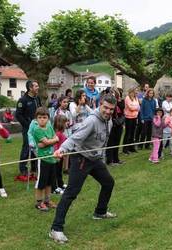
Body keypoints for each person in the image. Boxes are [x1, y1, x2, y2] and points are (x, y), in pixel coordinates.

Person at [50, 94, 117, 244]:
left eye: (111, 109)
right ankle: (56, 229)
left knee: (108, 183)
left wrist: (101, 157)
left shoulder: (109, 121)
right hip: (81, 158)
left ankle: (100, 212)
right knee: (71, 192)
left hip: (95, 159)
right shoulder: (92, 121)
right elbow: (75, 137)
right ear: (100, 104)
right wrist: (62, 149)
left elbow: (102, 142)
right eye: (105, 107)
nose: (108, 111)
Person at [32, 107, 58, 211]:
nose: (42, 119)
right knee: (41, 183)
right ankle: (39, 202)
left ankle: (47, 200)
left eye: (44, 117)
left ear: (48, 118)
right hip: (42, 159)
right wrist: (52, 140)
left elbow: (55, 138)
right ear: (36, 119)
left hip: (51, 159)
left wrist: (49, 141)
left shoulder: (49, 127)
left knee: (49, 182)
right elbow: (48, 142)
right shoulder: (37, 129)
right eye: (40, 117)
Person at [15, 80, 42, 182]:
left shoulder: (37, 98)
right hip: (28, 129)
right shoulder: (23, 100)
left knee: (37, 148)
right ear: (30, 88)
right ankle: (23, 169)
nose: (38, 88)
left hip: (38, 128)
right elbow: (18, 115)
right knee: (27, 148)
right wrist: (28, 125)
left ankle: (35, 168)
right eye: (36, 86)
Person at [106, 88, 125, 166]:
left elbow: (122, 108)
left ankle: (116, 159)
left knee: (117, 142)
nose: (113, 94)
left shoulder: (120, 101)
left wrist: (118, 99)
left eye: (115, 93)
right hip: (112, 123)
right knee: (111, 142)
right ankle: (110, 160)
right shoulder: (109, 101)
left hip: (119, 123)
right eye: (112, 93)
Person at [52, 115, 68, 195]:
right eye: (65, 122)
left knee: (59, 171)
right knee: (55, 172)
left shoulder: (61, 133)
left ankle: (60, 184)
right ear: (61, 124)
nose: (67, 124)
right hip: (56, 157)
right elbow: (55, 145)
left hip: (60, 156)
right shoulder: (57, 133)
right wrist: (57, 155)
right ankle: (55, 187)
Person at [122, 87, 140, 154]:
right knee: (128, 133)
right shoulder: (127, 98)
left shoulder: (136, 98)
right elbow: (131, 107)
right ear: (131, 91)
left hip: (135, 117)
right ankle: (125, 149)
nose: (136, 92)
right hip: (128, 117)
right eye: (135, 91)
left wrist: (135, 108)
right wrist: (135, 108)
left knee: (133, 133)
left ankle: (131, 147)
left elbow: (138, 107)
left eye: (136, 91)